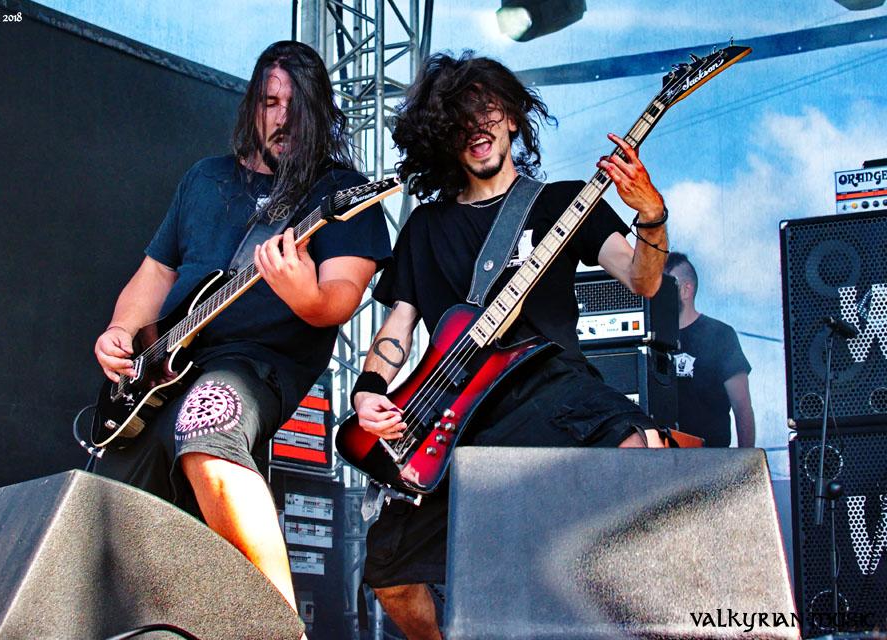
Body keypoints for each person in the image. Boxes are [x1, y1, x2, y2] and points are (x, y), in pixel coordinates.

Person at [349, 52, 669, 640]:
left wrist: (651, 215)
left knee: (636, 445)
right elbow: (398, 327)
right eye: (460, 118)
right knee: (390, 574)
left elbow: (642, 280)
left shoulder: (562, 202)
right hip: (458, 411)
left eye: (488, 109)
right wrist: (369, 391)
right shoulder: (425, 226)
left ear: (514, 117)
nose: (477, 127)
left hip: (550, 385)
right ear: (443, 135)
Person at [92, 40, 391, 614]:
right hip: (162, 372)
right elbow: (156, 272)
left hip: (256, 364)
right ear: (252, 107)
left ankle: (281, 624)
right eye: (270, 103)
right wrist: (121, 331)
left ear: (321, 113)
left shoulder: (338, 194)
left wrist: (302, 291)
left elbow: (338, 300)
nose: (282, 119)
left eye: (296, 106)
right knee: (111, 518)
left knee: (209, 423)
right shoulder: (204, 179)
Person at [663, 252, 755, 448]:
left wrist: (746, 461)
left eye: (664, 285)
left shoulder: (721, 335)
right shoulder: (652, 339)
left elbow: (742, 407)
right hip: (661, 457)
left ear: (686, 290)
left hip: (710, 456)